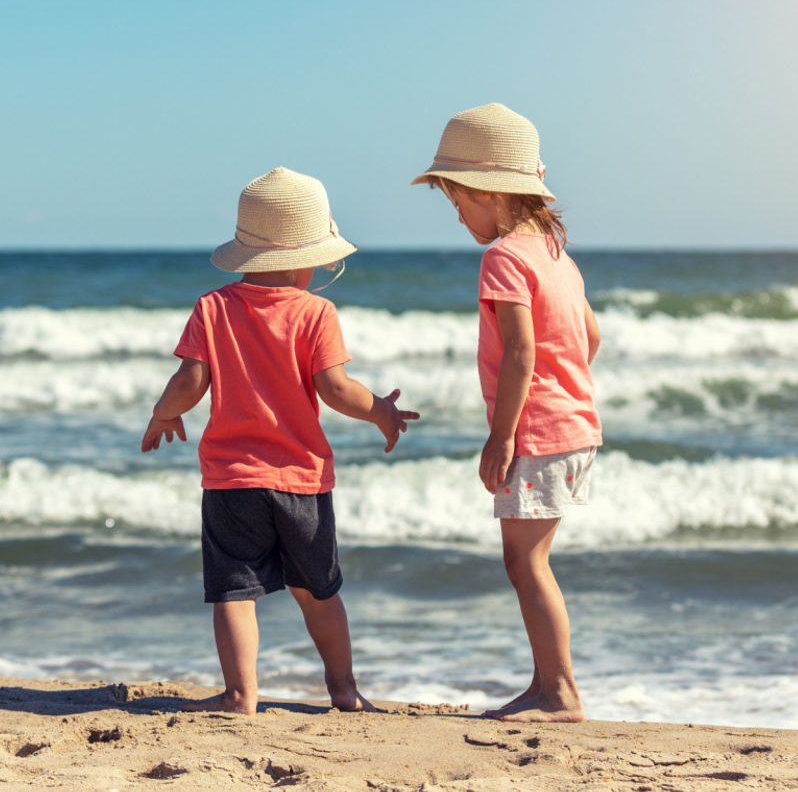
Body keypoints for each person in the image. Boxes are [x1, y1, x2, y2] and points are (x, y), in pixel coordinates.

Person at [142, 167, 419, 716]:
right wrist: (382, 414)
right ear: (303, 258)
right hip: (302, 482)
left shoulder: (213, 308)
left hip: (232, 481)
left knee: (233, 593)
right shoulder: (317, 312)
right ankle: (343, 690)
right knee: (319, 592)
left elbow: (189, 382)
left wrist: (162, 414)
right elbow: (336, 389)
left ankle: (240, 695)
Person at [411, 103, 602, 723]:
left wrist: (501, 437)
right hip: (573, 425)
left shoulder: (503, 259)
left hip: (537, 432)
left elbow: (521, 352)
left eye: (456, 201)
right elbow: (589, 336)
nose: (458, 215)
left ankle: (560, 693)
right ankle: (546, 681)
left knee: (526, 562)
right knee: (529, 559)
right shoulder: (555, 255)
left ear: (487, 192)